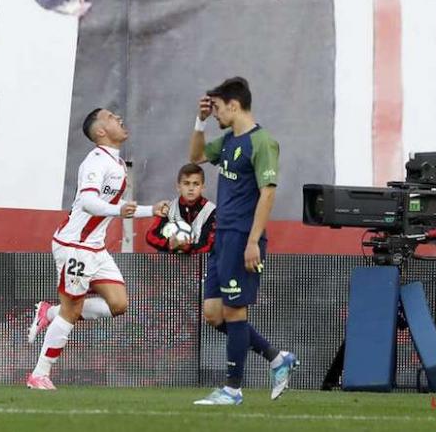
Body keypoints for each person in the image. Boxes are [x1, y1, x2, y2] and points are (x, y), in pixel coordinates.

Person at [26, 108, 169, 390]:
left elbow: (115, 209)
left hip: (95, 248)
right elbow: (89, 202)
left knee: (118, 304)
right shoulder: (95, 162)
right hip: (74, 245)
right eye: (112, 117)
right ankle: (39, 373)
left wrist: (151, 210)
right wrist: (119, 209)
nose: (120, 118)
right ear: (101, 131)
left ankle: (49, 313)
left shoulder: (115, 163)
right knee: (73, 309)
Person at [189, 77, 299, 405]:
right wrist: (200, 120)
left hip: (241, 238)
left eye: (219, 108)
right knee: (213, 313)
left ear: (234, 106)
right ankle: (277, 357)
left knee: (235, 313)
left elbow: (268, 193)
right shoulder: (226, 141)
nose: (217, 114)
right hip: (221, 237)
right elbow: (195, 157)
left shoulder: (262, 142)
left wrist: (253, 241)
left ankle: (233, 390)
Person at [146, 163, 216, 254]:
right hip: (171, 262)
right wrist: (170, 244)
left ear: (203, 188)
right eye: (186, 183)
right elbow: (150, 236)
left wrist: (187, 247)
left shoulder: (211, 211)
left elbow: (210, 244)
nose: (191, 188)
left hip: (199, 263)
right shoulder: (169, 208)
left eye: (196, 184)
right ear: (178, 187)